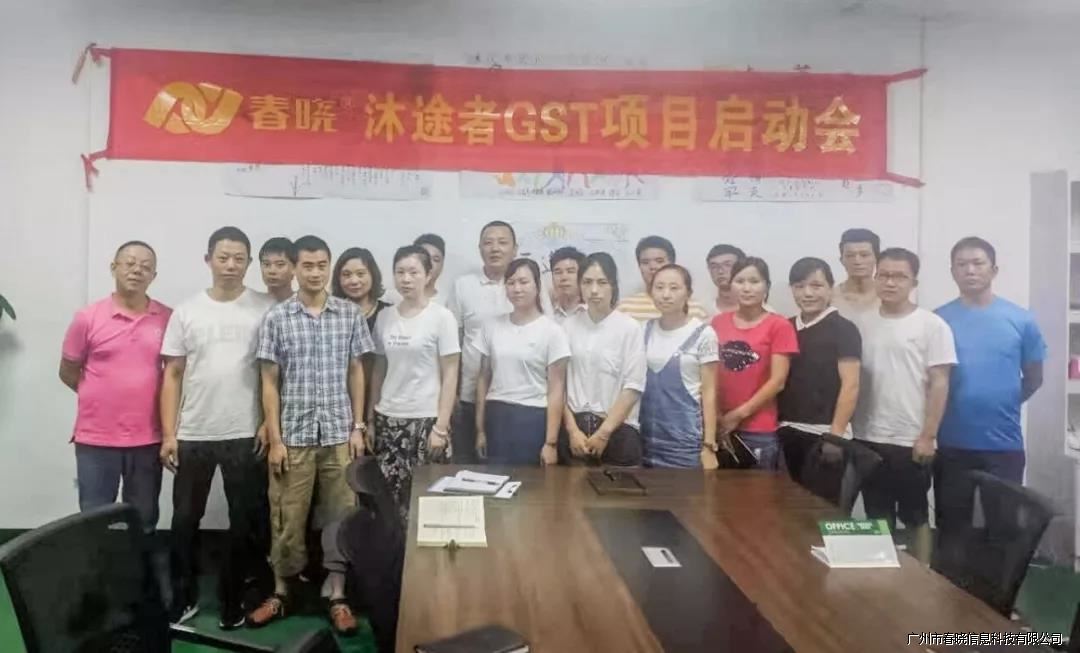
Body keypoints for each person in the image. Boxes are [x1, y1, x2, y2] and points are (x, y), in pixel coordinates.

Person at [251, 235, 372, 633]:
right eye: (307, 265)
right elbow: (269, 382)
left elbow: (357, 371)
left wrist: (358, 426)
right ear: (295, 268)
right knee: (286, 515)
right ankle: (281, 592)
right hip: (294, 436)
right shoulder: (277, 317)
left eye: (322, 265)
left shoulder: (348, 314)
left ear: (329, 266)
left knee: (340, 516)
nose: (315, 272)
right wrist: (276, 438)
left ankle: (336, 595)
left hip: (338, 433)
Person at [159, 227, 275, 628]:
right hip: (194, 432)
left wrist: (268, 423)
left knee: (244, 520)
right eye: (223, 257)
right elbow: (173, 374)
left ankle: (233, 600)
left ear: (249, 262)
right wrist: (169, 433)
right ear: (208, 259)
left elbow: (272, 373)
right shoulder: (186, 311)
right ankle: (183, 598)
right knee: (184, 520)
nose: (231, 265)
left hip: (245, 432)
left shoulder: (265, 308)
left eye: (239, 258)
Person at [59, 240, 171, 533]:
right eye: (130, 263)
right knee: (95, 519)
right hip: (96, 439)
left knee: (144, 518)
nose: (137, 270)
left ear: (154, 275)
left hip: (148, 438)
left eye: (145, 266)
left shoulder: (168, 318)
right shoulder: (87, 318)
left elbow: (175, 374)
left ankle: (140, 564)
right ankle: (98, 565)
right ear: (114, 268)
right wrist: (101, 395)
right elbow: (68, 371)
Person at [934, 237, 1045, 529]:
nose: (970, 270)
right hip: (950, 444)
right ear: (952, 271)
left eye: (978, 263)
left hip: (1003, 445)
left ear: (994, 270)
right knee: (951, 528)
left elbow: (1034, 377)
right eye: (962, 264)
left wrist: (1001, 401)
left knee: (1004, 527)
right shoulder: (938, 321)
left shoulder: (1021, 320)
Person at [855, 247, 956, 562]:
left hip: (910, 438)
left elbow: (940, 382)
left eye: (899, 276)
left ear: (914, 282)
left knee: (915, 515)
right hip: (867, 436)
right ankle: (882, 574)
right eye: (884, 275)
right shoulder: (862, 323)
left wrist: (928, 435)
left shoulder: (931, 325)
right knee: (876, 513)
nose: (890, 282)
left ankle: (922, 575)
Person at [367, 245, 460, 523]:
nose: (406, 279)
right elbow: (379, 370)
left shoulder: (441, 317)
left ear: (428, 275)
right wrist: (371, 418)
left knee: (429, 501)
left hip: (426, 421)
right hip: (389, 419)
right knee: (391, 502)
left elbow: (451, 373)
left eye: (413, 272)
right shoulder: (385, 317)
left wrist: (441, 427)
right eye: (400, 272)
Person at [475, 258, 570, 465]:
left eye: (524, 282)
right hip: (496, 415)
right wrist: (480, 429)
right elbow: (483, 378)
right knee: (493, 480)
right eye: (511, 282)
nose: (517, 288)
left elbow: (556, 389)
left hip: (533, 417)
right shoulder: (491, 326)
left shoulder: (552, 332)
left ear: (537, 286)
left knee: (531, 483)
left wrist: (551, 442)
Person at [712, 257, 799, 471]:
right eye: (740, 281)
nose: (747, 288)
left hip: (758, 429)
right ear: (731, 286)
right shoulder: (717, 323)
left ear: (766, 286)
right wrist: (716, 416)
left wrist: (738, 415)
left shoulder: (779, 325)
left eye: (754, 281)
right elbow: (710, 374)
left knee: (757, 491)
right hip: (719, 425)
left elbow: (778, 381)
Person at [777, 257, 861, 480]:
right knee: (788, 500)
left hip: (825, 434)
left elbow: (851, 385)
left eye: (816, 286)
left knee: (823, 501)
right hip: (786, 430)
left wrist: (835, 436)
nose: (807, 293)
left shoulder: (844, 329)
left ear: (830, 288)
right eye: (799, 286)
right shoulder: (784, 327)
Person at [561, 252, 646, 466]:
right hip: (575, 432)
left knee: (619, 489)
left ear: (613, 286)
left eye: (602, 282)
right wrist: (572, 430)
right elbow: (557, 385)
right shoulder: (567, 327)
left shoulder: (629, 328)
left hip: (618, 431)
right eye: (587, 282)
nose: (594, 290)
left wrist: (604, 433)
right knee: (568, 488)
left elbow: (633, 386)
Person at [447, 221, 517, 464]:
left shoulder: (525, 284)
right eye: (488, 243)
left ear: (515, 249)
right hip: (469, 395)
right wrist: (453, 391)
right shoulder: (463, 286)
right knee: (466, 466)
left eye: (502, 242)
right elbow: (453, 342)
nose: (495, 248)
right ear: (479, 249)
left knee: (509, 469)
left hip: (512, 398)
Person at [639, 264, 720, 469]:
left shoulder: (703, 334)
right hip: (644, 439)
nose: (666, 294)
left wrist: (709, 445)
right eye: (659, 287)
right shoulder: (643, 330)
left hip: (685, 443)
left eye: (674, 288)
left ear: (688, 293)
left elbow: (709, 392)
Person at [617, 236, 707, 322]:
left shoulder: (696, 309)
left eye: (659, 261)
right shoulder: (624, 308)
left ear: (672, 264)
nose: (652, 267)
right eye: (645, 262)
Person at [332, 247, 390, 333]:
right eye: (346, 274)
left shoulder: (389, 313)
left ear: (373, 275)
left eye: (360, 274)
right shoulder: (330, 314)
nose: (354, 281)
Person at [832, 228, 881, 327]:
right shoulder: (829, 299)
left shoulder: (889, 297)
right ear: (842, 260)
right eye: (850, 256)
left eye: (864, 255)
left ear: (877, 258)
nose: (857, 261)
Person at [705, 244, 746, 315]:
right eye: (714, 266)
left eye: (727, 265)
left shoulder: (761, 312)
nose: (720, 271)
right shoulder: (702, 312)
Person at [550, 246, 586, 324]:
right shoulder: (547, 314)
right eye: (558, 272)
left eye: (570, 271)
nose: (564, 277)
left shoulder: (593, 313)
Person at [259, 237, 296, 303]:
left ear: (294, 268)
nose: (272, 271)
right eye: (266, 264)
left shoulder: (305, 304)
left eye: (280, 264)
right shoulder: (252, 304)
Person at [414, 233, 447, 305]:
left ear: (442, 265)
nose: (430, 264)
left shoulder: (447, 302)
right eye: (424, 257)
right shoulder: (392, 298)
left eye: (436, 259)